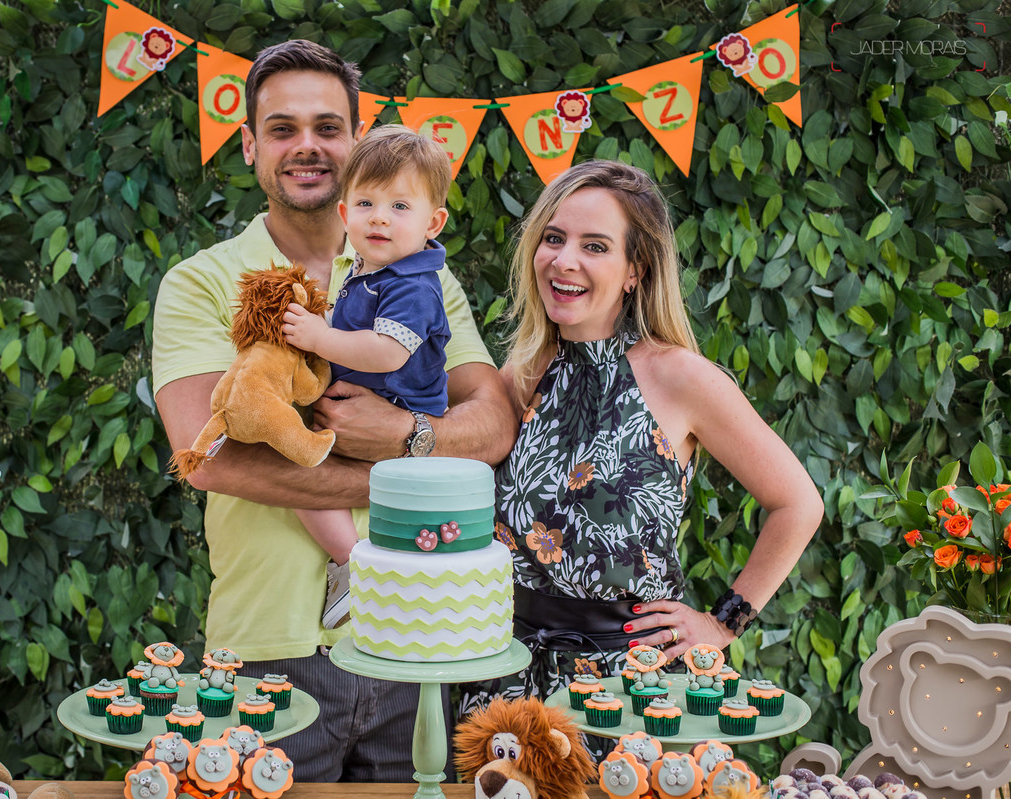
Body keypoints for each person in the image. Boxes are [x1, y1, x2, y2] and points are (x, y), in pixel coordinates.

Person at [151, 40, 514, 782]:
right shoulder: (203, 282)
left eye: (327, 126)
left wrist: (405, 434)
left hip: (417, 639)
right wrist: (413, 472)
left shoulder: (418, 271)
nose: (306, 145)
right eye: (282, 128)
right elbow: (211, 456)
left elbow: (494, 424)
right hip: (267, 652)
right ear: (249, 144)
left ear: (357, 142)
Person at [460, 160, 824, 725]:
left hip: (628, 688)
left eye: (596, 246)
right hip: (505, 677)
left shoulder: (681, 377)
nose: (565, 259)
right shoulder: (525, 369)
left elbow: (798, 504)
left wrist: (723, 623)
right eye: (553, 238)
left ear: (635, 270)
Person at [282, 125, 454, 629]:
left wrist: (317, 338)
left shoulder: (413, 283)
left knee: (300, 471)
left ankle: (353, 564)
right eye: (366, 204)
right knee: (296, 459)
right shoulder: (367, 272)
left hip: (398, 408)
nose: (380, 217)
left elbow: (387, 352)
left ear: (433, 223)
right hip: (363, 403)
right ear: (344, 214)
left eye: (401, 207)